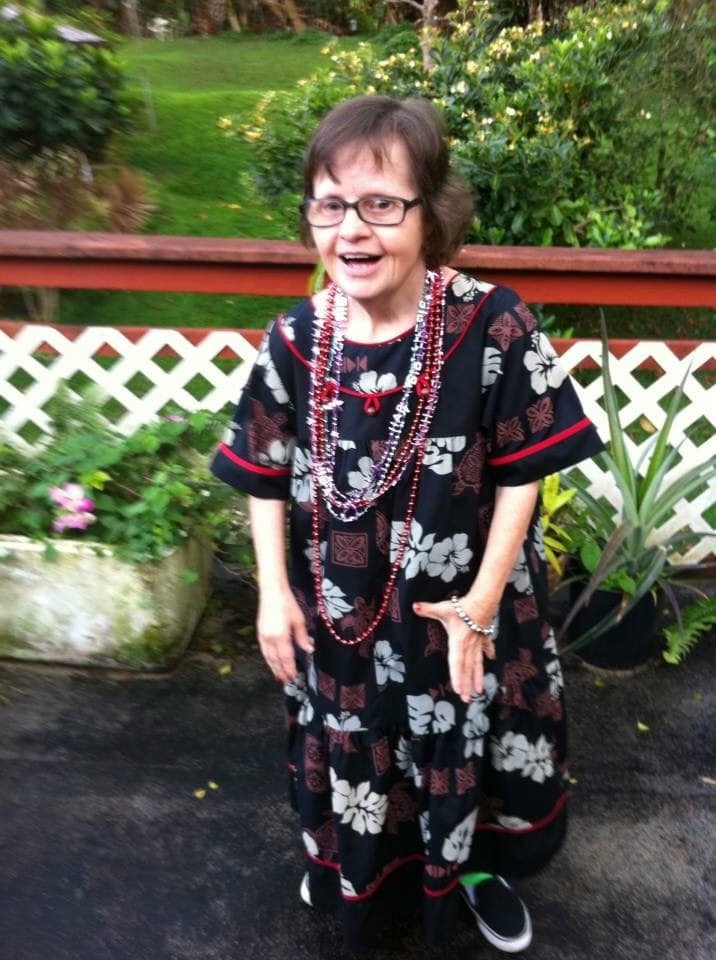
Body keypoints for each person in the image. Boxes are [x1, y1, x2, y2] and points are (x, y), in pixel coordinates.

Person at [211, 94, 603, 954]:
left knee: (469, 741)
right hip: (342, 613)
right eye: (330, 204)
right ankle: (354, 866)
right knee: (355, 742)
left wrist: (482, 604)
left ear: (432, 213)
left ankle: (474, 872)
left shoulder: (492, 323)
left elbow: (524, 471)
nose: (352, 229)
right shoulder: (296, 339)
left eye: (381, 204)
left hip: (464, 608)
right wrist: (273, 592)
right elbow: (261, 469)